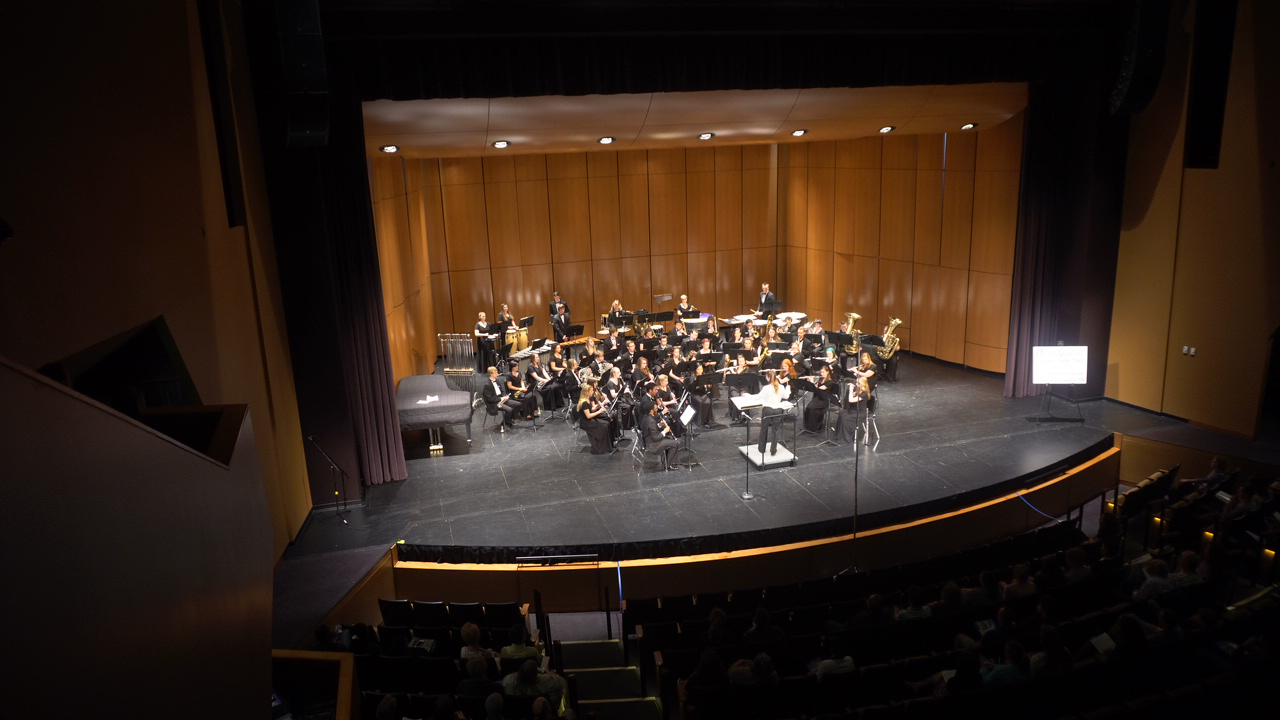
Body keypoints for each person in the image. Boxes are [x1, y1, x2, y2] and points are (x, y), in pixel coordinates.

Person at [756, 370, 791, 457]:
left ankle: (762, 449)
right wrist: (788, 389)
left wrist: (748, 396)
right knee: (775, 430)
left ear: (768, 378)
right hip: (778, 410)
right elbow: (786, 396)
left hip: (768, 410)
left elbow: (758, 397)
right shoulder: (782, 387)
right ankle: (773, 451)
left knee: (764, 429)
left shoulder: (766, 388)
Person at [639, 398, 679, 470]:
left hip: (649, 440)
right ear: (651, 410)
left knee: (670, 438)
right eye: (656, 408)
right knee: (675, 443)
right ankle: (669, 465)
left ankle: (666, 461)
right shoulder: (651, 421)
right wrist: (665, 431)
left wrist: (659, 425)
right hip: (653, 445)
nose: (657, 409)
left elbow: (650, 430)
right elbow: (655, 437)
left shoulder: (646, 417)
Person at [578, 381, 614, 454]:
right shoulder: (584, 402)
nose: (592, 392)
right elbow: (588, 416)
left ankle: (607, 446)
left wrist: (598, 405)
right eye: (591, 391)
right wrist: (600, 411)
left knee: (606, 423)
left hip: (589, 420)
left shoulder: (588, 399)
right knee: (604, 426)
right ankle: (601, 448)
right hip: (586, 422)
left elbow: (592, 409)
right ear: (587, 392)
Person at [482, 366, 522, 432]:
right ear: (491, 374)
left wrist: (505, 396)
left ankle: (509, 420)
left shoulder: (497, 380)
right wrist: (501, 399)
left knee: (518, 404)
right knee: (509, 409)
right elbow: (490, 399)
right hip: (493, 403)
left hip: (501, 399)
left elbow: (502, 391)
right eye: (495, 373)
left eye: (497, 372)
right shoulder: (487, 385)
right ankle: (504, 424)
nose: (497, 374)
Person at [834, 375, 869, 444]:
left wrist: (850, 390)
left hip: (860, 413)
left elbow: (851, 400)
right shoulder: (857, 390)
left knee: (845, 417)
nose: (856, 384)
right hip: (853, 411)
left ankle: (847, 438)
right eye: (856, 383)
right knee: (842, 415)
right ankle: (839, 436)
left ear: (863, 384)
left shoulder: (865, 394)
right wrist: (850, 390)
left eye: (858, 383)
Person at [804, 364, 837, 433]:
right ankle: (807, 427)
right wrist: (810, 382)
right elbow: (814, 388)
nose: (822, 374)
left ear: (827, 372)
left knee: (812, 408)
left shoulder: (830, 382)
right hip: (817, 398)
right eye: (821, 372)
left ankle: (814, 427)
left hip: (823, 400)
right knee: (808, 408)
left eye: (823, 372)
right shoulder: (820, 380)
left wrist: (812, 381)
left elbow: (820, 389)